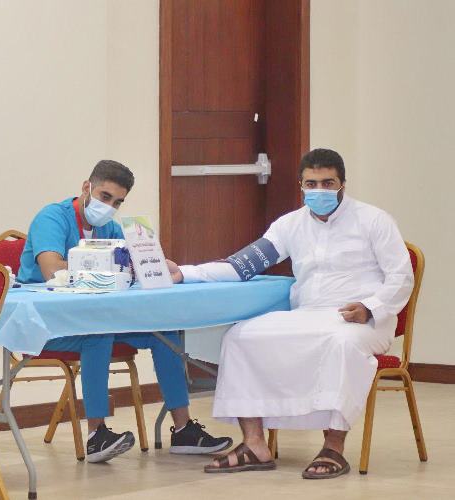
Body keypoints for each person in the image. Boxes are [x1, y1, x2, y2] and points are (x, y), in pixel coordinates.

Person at [166, 148, 413, 479]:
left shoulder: (374, 220)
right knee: (240, 337)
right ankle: (254, 444)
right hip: (308, 315)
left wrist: (370, 307)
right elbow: (241, 265)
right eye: (312, 184)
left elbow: (401, 277)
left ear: (343, 183)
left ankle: (333, 448)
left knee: (341, 343)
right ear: (301, 185)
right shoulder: (289, 225)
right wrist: (185, 273)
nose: (320, 190)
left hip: (364, 321)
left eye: (328, 183)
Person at [18, 159, 233, 463]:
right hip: (46, 325)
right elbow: (52, 270)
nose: (109, 207)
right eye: (105, 197)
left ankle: (183, 428)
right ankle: (96, 435)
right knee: (99, 333)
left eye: (117, 202)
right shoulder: (52, 218)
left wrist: (155, 263)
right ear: (86, 188)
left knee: (163, 332)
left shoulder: (110, 227)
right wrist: (107, 265)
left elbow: (133, 267)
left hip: (92, 318)